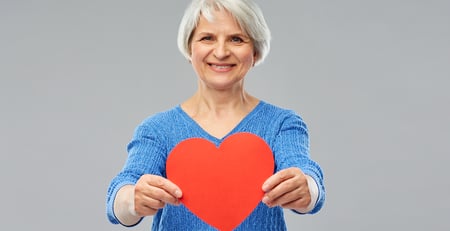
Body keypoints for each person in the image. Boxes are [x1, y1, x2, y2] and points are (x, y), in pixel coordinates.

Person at [106, 0, 325, 230]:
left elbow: (306, 176)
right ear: (189, 48)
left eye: (236, 39)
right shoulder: (157, 129)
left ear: (256, 51)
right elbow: (122, 193)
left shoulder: (282, 124)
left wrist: (307, 188)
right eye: (207, 38)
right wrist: (132, 200)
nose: (221, 52)